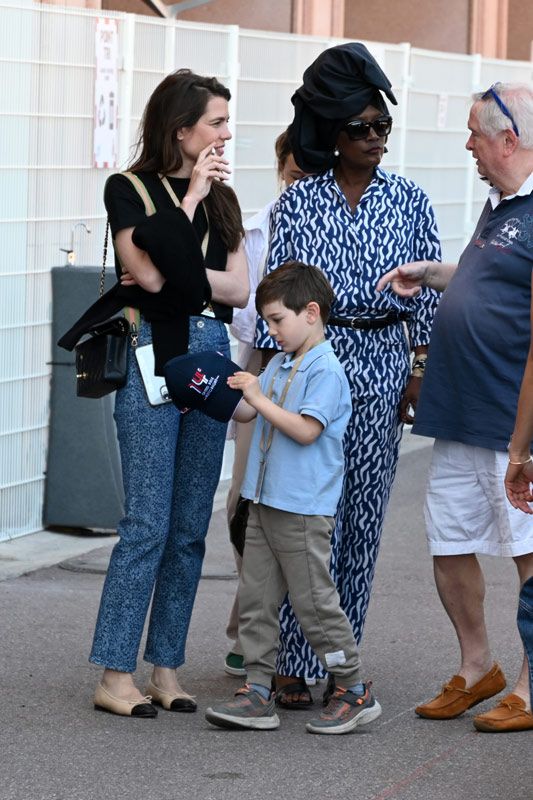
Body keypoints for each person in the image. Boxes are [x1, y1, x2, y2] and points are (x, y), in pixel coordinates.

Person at [255, 41, 441, 706]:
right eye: (360, 128)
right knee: (302, 516)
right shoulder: (298, 202)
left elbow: (429, 293)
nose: (373, 138)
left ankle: (339, 664)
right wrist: (263, 374)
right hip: (310, 370)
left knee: (359, 523)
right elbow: (272, 295)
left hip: (384, 366)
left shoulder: (411, 199)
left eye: (381, 126)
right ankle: (289, 653)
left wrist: (417, 370)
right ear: (333, 133)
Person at [86, 69, 248, 717]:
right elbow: (150, 279)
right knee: (146, 523)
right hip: (153, 353)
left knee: (188, 528)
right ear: (180, 129)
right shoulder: (128, 188)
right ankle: (113, 673)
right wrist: (185, 210)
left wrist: (183, 270)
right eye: (215, 121)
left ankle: (165, 667)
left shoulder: (225, 200)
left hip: (209, 354)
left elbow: (236, 291)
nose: (225, 133)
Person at [377, 82, 533, 733]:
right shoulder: (498, 208)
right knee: (450, 542)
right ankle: (477, 668)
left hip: (507, 416)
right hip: (459, 411)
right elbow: (492, 282)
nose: (466, 144)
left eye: (474, 132)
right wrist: (437, 273)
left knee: (528, 552)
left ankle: (530, 682)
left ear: (508, 139)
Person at [205, 262, 382, 734]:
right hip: (262, 501)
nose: (271, 330)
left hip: (302, 510)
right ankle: (258, 690)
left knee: (314, 605)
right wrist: (215, 392)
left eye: (277, 320)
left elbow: (306, 430)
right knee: (256, 601)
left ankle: (352, 686)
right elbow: (249, 416)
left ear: (311, 312)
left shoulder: (327, 369)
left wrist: (259, 399)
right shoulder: (280, 362)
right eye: (266, 321)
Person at [224, 130, 308, 678]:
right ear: (280, 168)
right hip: (260, 371)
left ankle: (280, 637)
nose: (301, 182)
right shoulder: (257, 231)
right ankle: (249, 624)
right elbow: (243, 318)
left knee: (296, 508)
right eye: (294, 172)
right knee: (243, 506)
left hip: (315, 377)